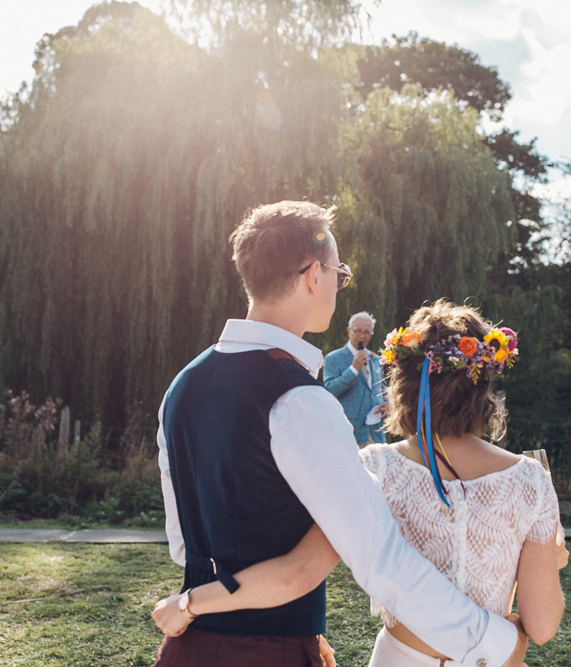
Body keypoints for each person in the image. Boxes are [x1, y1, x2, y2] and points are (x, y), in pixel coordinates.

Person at [151, 201, 527, 667]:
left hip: (188, 648)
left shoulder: (180, 386)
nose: (338, 286)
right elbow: (378, 556)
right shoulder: (299, 399)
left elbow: (184, 544)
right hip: (266, 656)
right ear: (313, 275)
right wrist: (492, 641)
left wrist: (298, 627)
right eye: (338, 273)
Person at [323, 311, 388, 445]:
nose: (362, 336)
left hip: (376, 433)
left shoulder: (376, 359)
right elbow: (330, 391)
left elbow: (383, 388)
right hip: (349, 434)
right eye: (358, 331)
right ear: (349, 331)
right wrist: (353, 369)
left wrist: (388, 404)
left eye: (367, 332)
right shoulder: (333, 358)